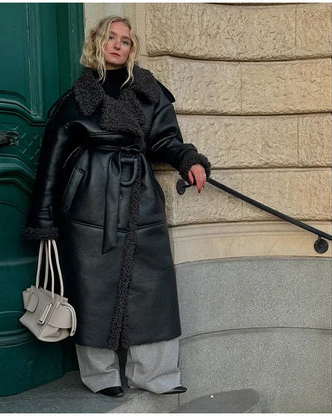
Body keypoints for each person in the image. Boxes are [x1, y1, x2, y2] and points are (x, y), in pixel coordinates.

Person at [23, 16, 211, 397]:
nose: (118, 45)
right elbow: (50, 162)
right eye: (110, 37)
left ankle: (155, 375)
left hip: (141, 196)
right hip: (89, 199)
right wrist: (43, 218)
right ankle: (101, 375)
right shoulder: (76, 99)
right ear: (96, 42)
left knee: (152, 285)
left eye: (125, 40)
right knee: (92, 286)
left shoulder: (148, 90)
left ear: (131, 49)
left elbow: (166, 140)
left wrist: (189, 160)